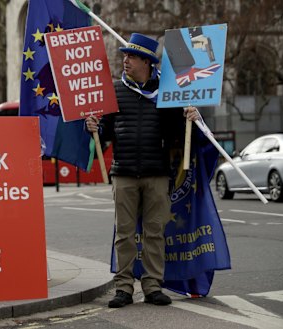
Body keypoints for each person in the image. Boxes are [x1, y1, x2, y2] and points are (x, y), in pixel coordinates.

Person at [85, 33, 199, 308]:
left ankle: (152, 286)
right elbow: (107, 132)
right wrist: (93, 129)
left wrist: (190, 118)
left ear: (147, 62)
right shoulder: (114, 90)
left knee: (154, 233)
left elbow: (177, 136)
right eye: (125, 56)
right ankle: (123, 288)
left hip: (157, 173)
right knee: (124, 233)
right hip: (123, 172)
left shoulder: (167, 93)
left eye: (132, 57)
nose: (126, 61)